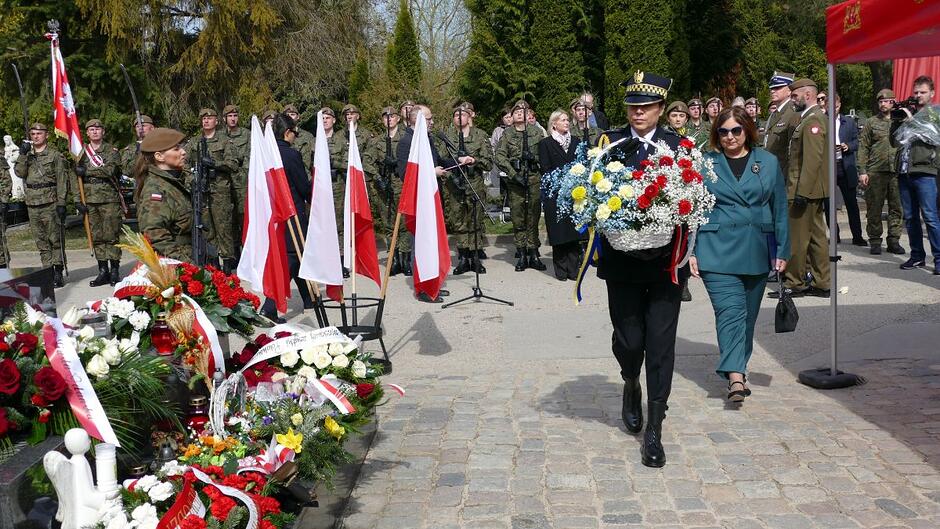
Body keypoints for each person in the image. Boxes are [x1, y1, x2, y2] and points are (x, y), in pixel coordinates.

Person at [596, 71, 686, 468]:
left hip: (666, 265)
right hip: (622, 261)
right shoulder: (609, 146)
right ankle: (630, 381)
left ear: (661, 109)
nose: (638, 113)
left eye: (646, 107)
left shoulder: (680, 146)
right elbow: (593, 193)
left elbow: (694, 201)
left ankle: (655, 429)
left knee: (661, 346)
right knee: (631, 341)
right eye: (633, 107)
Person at [690, 107, 790, 401]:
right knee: (730, 312)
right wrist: (691, 251)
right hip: (715, 248)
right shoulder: (705, 163)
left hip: (756, 248)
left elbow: (780, 209)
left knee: (747, 317)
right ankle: (735, 377)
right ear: (716, 134)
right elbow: (692, 211)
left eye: (736, 130)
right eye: (723, 131)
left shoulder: (767, 162)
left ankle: (739, 366)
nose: (730, 136)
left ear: (747, 130)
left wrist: (783, 249)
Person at [772, 78, 830, 298]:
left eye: (795, 95)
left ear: (808, 95)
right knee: (816, 237)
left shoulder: (813, 120)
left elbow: (812, 160)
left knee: (797, 238)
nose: (792, 99)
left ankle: (795, 283)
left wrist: (801, 192)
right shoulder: (809, 119)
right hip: (809, 189)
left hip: (802, 188)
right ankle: (822, 282)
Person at [395, 104, 456, 302]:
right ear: (416, 120)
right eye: (428, 119)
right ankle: (423, 288)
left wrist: (457, 161)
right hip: (419, 201)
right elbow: (406, 174)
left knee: (433, 242)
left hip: (432, 198)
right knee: (421, 244)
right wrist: (432, 172)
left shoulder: (427, 138)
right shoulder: (406, 142)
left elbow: (437, 160)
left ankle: (433, 283)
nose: (432, 122)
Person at [259, 113, 316, 321]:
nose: (296, 136)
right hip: (291, 213)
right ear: (286, 133)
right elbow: (302, 185)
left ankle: (310, 299)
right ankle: (270, 304)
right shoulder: (291, 155)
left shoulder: (265, 153)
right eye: (295, 132)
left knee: (298, 255)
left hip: (273, 213)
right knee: (292, 258)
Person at [890, 75, 940, 274]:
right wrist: (897, 121)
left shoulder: (935, 113)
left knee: (930, 217)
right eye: (916, 92)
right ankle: (917, 256)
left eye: (923, 92)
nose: (918, 96)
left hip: (924, 171)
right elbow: (894, 142)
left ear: (932, 93)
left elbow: (934, 136)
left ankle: (938, 259)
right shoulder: (908, 111)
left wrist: (912, 122)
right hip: (904, 172)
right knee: (910, 218)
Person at [13, 123, 68, 287]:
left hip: (50, 202)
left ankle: (58, 272)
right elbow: (19, 173)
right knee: (41, 242)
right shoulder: (27, 156)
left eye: (39, 133)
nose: (36, 136)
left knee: (55, 239)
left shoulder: (54, 155)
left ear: (47, 135)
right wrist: (22, 155)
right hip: (32, 203)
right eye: (33, 134)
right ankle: (47, 271)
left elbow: (62, 180)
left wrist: (62, 202)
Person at [440, 102, 491, 275]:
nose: (459, 117)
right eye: (456, 115)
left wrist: (474, 160)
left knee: (475, 221)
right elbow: (440, 160)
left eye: (463, 114)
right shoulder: (447, 136)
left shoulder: (480, 135)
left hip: (474, 182)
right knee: (459, 221)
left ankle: (475, 257)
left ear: (469, 116)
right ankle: (463, 258)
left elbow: (488, 162)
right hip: (454, 184)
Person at [496, 100, 547, 272]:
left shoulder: (537, 132)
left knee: (533, 216)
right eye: (516, 111)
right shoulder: (507, 134)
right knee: (518, 217)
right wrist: (513, 174)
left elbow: (545, 154)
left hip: (533, 178)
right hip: (515, 180)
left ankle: (533, 252)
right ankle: (522, 253)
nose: (519, 113)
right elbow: (500, 156)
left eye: (523, 111)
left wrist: (534, 159)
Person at [185, 108, 238, 272]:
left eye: (210, 118)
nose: (206, 121)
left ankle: (228, 264)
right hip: (202, 191)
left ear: (216, 121)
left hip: (220, 191)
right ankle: (213, 264)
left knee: (224, 229)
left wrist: (215, 163)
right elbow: (184, 164)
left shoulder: (225, 141)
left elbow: (233, 164)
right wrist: (191, 180)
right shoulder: (194, 143)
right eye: (203, 119)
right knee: (207, 229)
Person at [75, 119, 124, 287]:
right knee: (97, 236)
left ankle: (115, 269)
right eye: (91, 129)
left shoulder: (111, 151)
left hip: (108, 198)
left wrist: (87, 170)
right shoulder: (80, 153)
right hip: (89, 199)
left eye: (98, 129)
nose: (95, 131)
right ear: (87, 133)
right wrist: (77, 200)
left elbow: (110, 170)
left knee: (111, 235)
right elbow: (75, 178)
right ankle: (103, 270)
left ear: (103, 132)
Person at [134, 128, 193, 262]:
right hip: (174, 265)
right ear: (159, 156)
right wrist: (187, 264)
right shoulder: (155, 189)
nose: (183, 152)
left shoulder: (174, 182)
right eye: (176, 149)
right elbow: (154, 234)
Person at [538, 110, 584, 281]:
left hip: (574, 193)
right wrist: (561, 179)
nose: (567, 122)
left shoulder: (577, 142)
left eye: (567, 120)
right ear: (554, 124)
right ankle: (561, 269)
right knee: (559, 233)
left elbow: (582, 164)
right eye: (563, 120)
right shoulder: (546, 143)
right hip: (555, 194)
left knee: (573, 233)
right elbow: (545, 167)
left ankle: (573, 269)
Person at [858, 89, 905, 255]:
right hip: (876, 171)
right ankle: (875, 241)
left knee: (897, 208)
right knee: (874, 208)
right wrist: (862, 171)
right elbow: (863, 147)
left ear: (893, 101)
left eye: (886, 101)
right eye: (880, 102)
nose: (883, 104)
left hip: (897, 171)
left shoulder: (901, 120)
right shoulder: (871, 122)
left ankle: (894, 240)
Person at [363, 106, 409, 275]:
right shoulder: (376, 142)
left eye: (392, 117)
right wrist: (378, 179)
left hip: (402, 185)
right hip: (385, 188)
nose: (388, 119)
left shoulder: (405, 139)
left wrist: (397, 164)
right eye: (385, 117)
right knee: (389, 225)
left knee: (405, 224)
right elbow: (367, 162)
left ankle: (406, 259)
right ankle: (394, 259)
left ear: (397, 118)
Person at [824, 94, 866, 246]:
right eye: (830, 106)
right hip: (828, 166)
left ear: (840, 105)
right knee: (829, 204)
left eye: (835, 106)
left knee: (851, 203)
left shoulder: (848, 122)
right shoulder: (821, 121)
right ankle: (835, 236)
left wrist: (847, 146)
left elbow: (857, 141)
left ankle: (857, 236)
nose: (833, 109)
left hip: (845, 164)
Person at [313, 107, 348, 268]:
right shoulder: (315, 141)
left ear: (334, 120)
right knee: (323, 222)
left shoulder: (342, 139)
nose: (325, 120)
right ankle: (326, 259)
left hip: (337, 185)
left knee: (338, 223)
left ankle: (340, 259)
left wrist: (334, 163)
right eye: (323, 118)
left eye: (328, 118)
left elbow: (349, 162)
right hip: (320, 187)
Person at [221, 104, 250, 253]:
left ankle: (247, 251)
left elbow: (249, 157)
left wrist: (242, 174)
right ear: (224, 119)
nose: (233, 119)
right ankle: (233, 254)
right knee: (228, 219)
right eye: (230, 116)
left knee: (243, 218)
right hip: (224, 182)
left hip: (242, 183)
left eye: (235, 116)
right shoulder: (220, 136)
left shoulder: (246, 134)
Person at [120, 115, 154, 179]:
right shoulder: (130, 149)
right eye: (137, 126)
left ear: (152, 128)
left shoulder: (160, 145)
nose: (140, 128)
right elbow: (126, 171)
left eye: (143, 126)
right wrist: (139, 154)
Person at [285, 104, 315, 171]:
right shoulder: (278, 136)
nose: (289, 117)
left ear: (298, 117)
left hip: (305, 176)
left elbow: (314, 160)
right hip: (284, 178)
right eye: (287, 115)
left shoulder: (308, 136)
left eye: (292, 114)